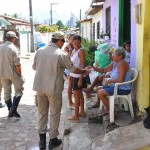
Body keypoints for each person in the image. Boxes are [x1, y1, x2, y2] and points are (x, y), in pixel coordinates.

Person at [32, 31, 90, 150]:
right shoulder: (60, 54)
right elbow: (73, 69)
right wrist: (84, 71)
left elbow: (34, 67)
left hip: (39, 87)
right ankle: (53, 139)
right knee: (54, 113)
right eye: (63, 41)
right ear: (59, 41)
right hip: (53, 88)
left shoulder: (40, 50)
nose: (63, 44)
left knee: (42, 113)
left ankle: (42, 141)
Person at [89, 47, 132, 116]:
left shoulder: (122, 64)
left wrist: (109, 81)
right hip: (115, 86)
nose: (112, 56)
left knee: (100, 92)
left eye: (114, 54)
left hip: (123, 88)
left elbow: (120, 80)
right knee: (98, 88)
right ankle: (108, 108)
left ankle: (112, 111)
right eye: (113, 54)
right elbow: (103, 70)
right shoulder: (115, 62)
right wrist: (93, 68)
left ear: (120, 56)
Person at [0, 31, 24, 117]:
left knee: (6, 92)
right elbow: (18, 64)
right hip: (13, 73)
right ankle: (13, 109)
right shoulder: (13, 48)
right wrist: (20, 75)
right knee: (19, 91)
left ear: (6, 38)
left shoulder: (0, 47)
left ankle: (10, 110)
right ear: (13, 39)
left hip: (2, 73)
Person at [68, 35, 87, 120]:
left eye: (78, 43)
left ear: (80, 43)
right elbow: (72, 65)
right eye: (74, 42)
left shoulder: (81, 51)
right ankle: (81, 111)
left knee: (76, 96)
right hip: (74, 75)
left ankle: (76, 115)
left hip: (79, 76)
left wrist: (80, 79)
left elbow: (83, 66)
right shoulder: (73, 51)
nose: (76, 44)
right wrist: (70, 75)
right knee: (80, 95)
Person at [64, 34, 75, 108]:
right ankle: (70, 102)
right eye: (72, 39)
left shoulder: (73, 46)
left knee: (72, 84)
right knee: (70, 85)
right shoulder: (67, 47)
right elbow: (70, 57)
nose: (73, 40)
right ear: (69, 39)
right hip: (69, 67)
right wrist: (70, 49)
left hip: (73, 67)